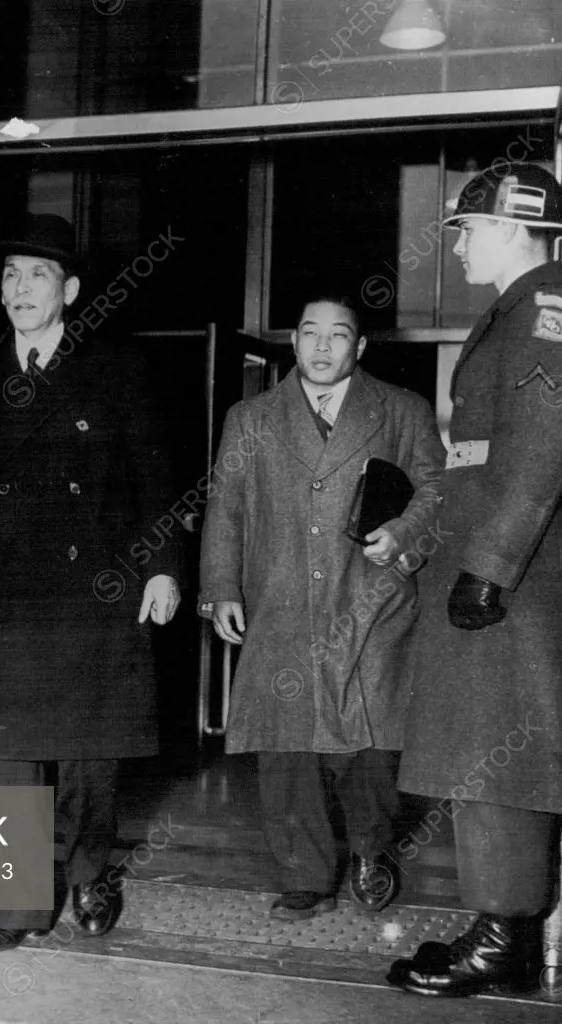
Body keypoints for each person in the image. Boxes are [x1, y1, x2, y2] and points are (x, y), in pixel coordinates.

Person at [0, 213, 182, 953]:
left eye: (36, 275)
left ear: (68, 288)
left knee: (90, 751)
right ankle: (20, 904)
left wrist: (161, 567)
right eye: (8, 275)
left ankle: (90, 872)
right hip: (2, 586)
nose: (19, 288)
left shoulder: (116, 368)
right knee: (8, 754)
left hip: (95, 580)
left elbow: (154, 474)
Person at [199, 294, 445, 921]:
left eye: (339, 335)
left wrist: (406, 536)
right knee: (288, 750)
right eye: (310, 333)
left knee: (369, 746)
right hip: (280, 600)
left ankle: (372, 849)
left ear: (359, 348)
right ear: (295, 342)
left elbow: (438, 492)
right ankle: (305, 875)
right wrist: (221, 586)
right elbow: (225, 506)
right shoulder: (250, 417)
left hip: (373, 598)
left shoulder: (403, 410)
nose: (323, 346)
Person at [389, 164, 562, 997]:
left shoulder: (542, 309)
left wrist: (487, 567)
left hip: (512, 583)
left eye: (467, 229)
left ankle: (503, 938)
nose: (456, 245)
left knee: (500, 761)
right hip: (494, 566)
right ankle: (503, 933)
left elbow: (540, 446)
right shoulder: (515, 311)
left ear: (511, 228)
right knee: (483, 758)